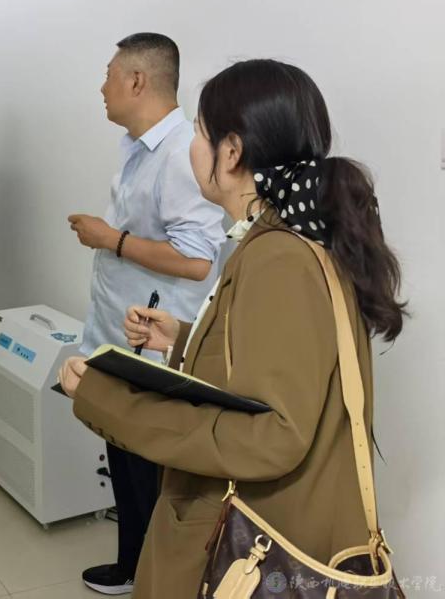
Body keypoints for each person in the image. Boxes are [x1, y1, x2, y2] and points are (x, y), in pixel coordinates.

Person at [59, 59, 406, 597]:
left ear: (232, 151)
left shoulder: (279, 257)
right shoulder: (281, 239)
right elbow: (273, 369)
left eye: (199, 133)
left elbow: (273, 436)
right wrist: (184, 337)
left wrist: (107, 399)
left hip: (254, 546)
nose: (192, 148)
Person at [67, 33, 226, 595]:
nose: (101, 87)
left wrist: (109, 239)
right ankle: (133, 564)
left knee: (147, 468)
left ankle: (152, 574)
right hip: (124, 332)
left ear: (137, 81)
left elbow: (197, 260)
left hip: (153, 344)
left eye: (108, 75)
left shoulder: (181, 153)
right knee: (124, 453)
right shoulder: (140, 147)